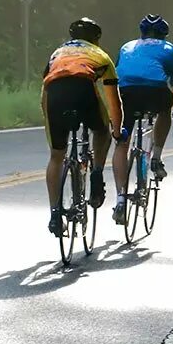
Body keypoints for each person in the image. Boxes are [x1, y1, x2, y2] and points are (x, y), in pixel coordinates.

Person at [41, 17, 121, 237]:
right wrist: (116, 130)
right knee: (102, 131)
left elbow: (45, 91)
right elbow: (113, 100)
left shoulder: (57, 53)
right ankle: (96, 174)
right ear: (96, 39)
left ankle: (55, 213)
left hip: (54, 95)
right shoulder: (101, 55)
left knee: (56, 156)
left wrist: (49, 119)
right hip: (83, 90)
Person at [112, 14, 173, 225]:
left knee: (121, 144)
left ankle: (120, 199)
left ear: (142, 33)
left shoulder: (127, 47)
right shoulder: (170, 50)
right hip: (155, 93)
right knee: (165, 110)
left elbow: (117, 76)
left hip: (125, 94)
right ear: (164, 35)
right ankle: (156, 157)